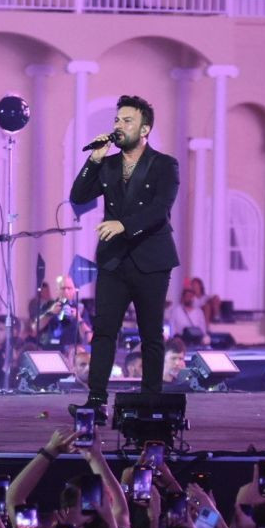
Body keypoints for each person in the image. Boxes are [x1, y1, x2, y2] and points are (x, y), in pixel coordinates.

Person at [69, 95, 179, 421]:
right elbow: (78, 197)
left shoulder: (164, 164)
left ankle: (150, 402)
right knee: (104, 332)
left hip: (151, 260)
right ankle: (96, 402)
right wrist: (94, 159)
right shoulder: (109, 164)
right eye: (117, 120)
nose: (119, 126)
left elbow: (160, 210)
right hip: (114, 261)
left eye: (127, 121)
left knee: (150, 334)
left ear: (144, 128)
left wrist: (123, 225)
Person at [36, 275, 86, 350]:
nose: (66, 291)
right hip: (50, 349)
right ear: (57, 290)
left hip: (71, 351)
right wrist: (50, 313)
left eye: (69, 288)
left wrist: (78, 318)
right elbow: (35, 327)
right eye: (62, 288)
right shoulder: (49, 305)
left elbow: (89, 338)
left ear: (74, 290)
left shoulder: (80, 308)